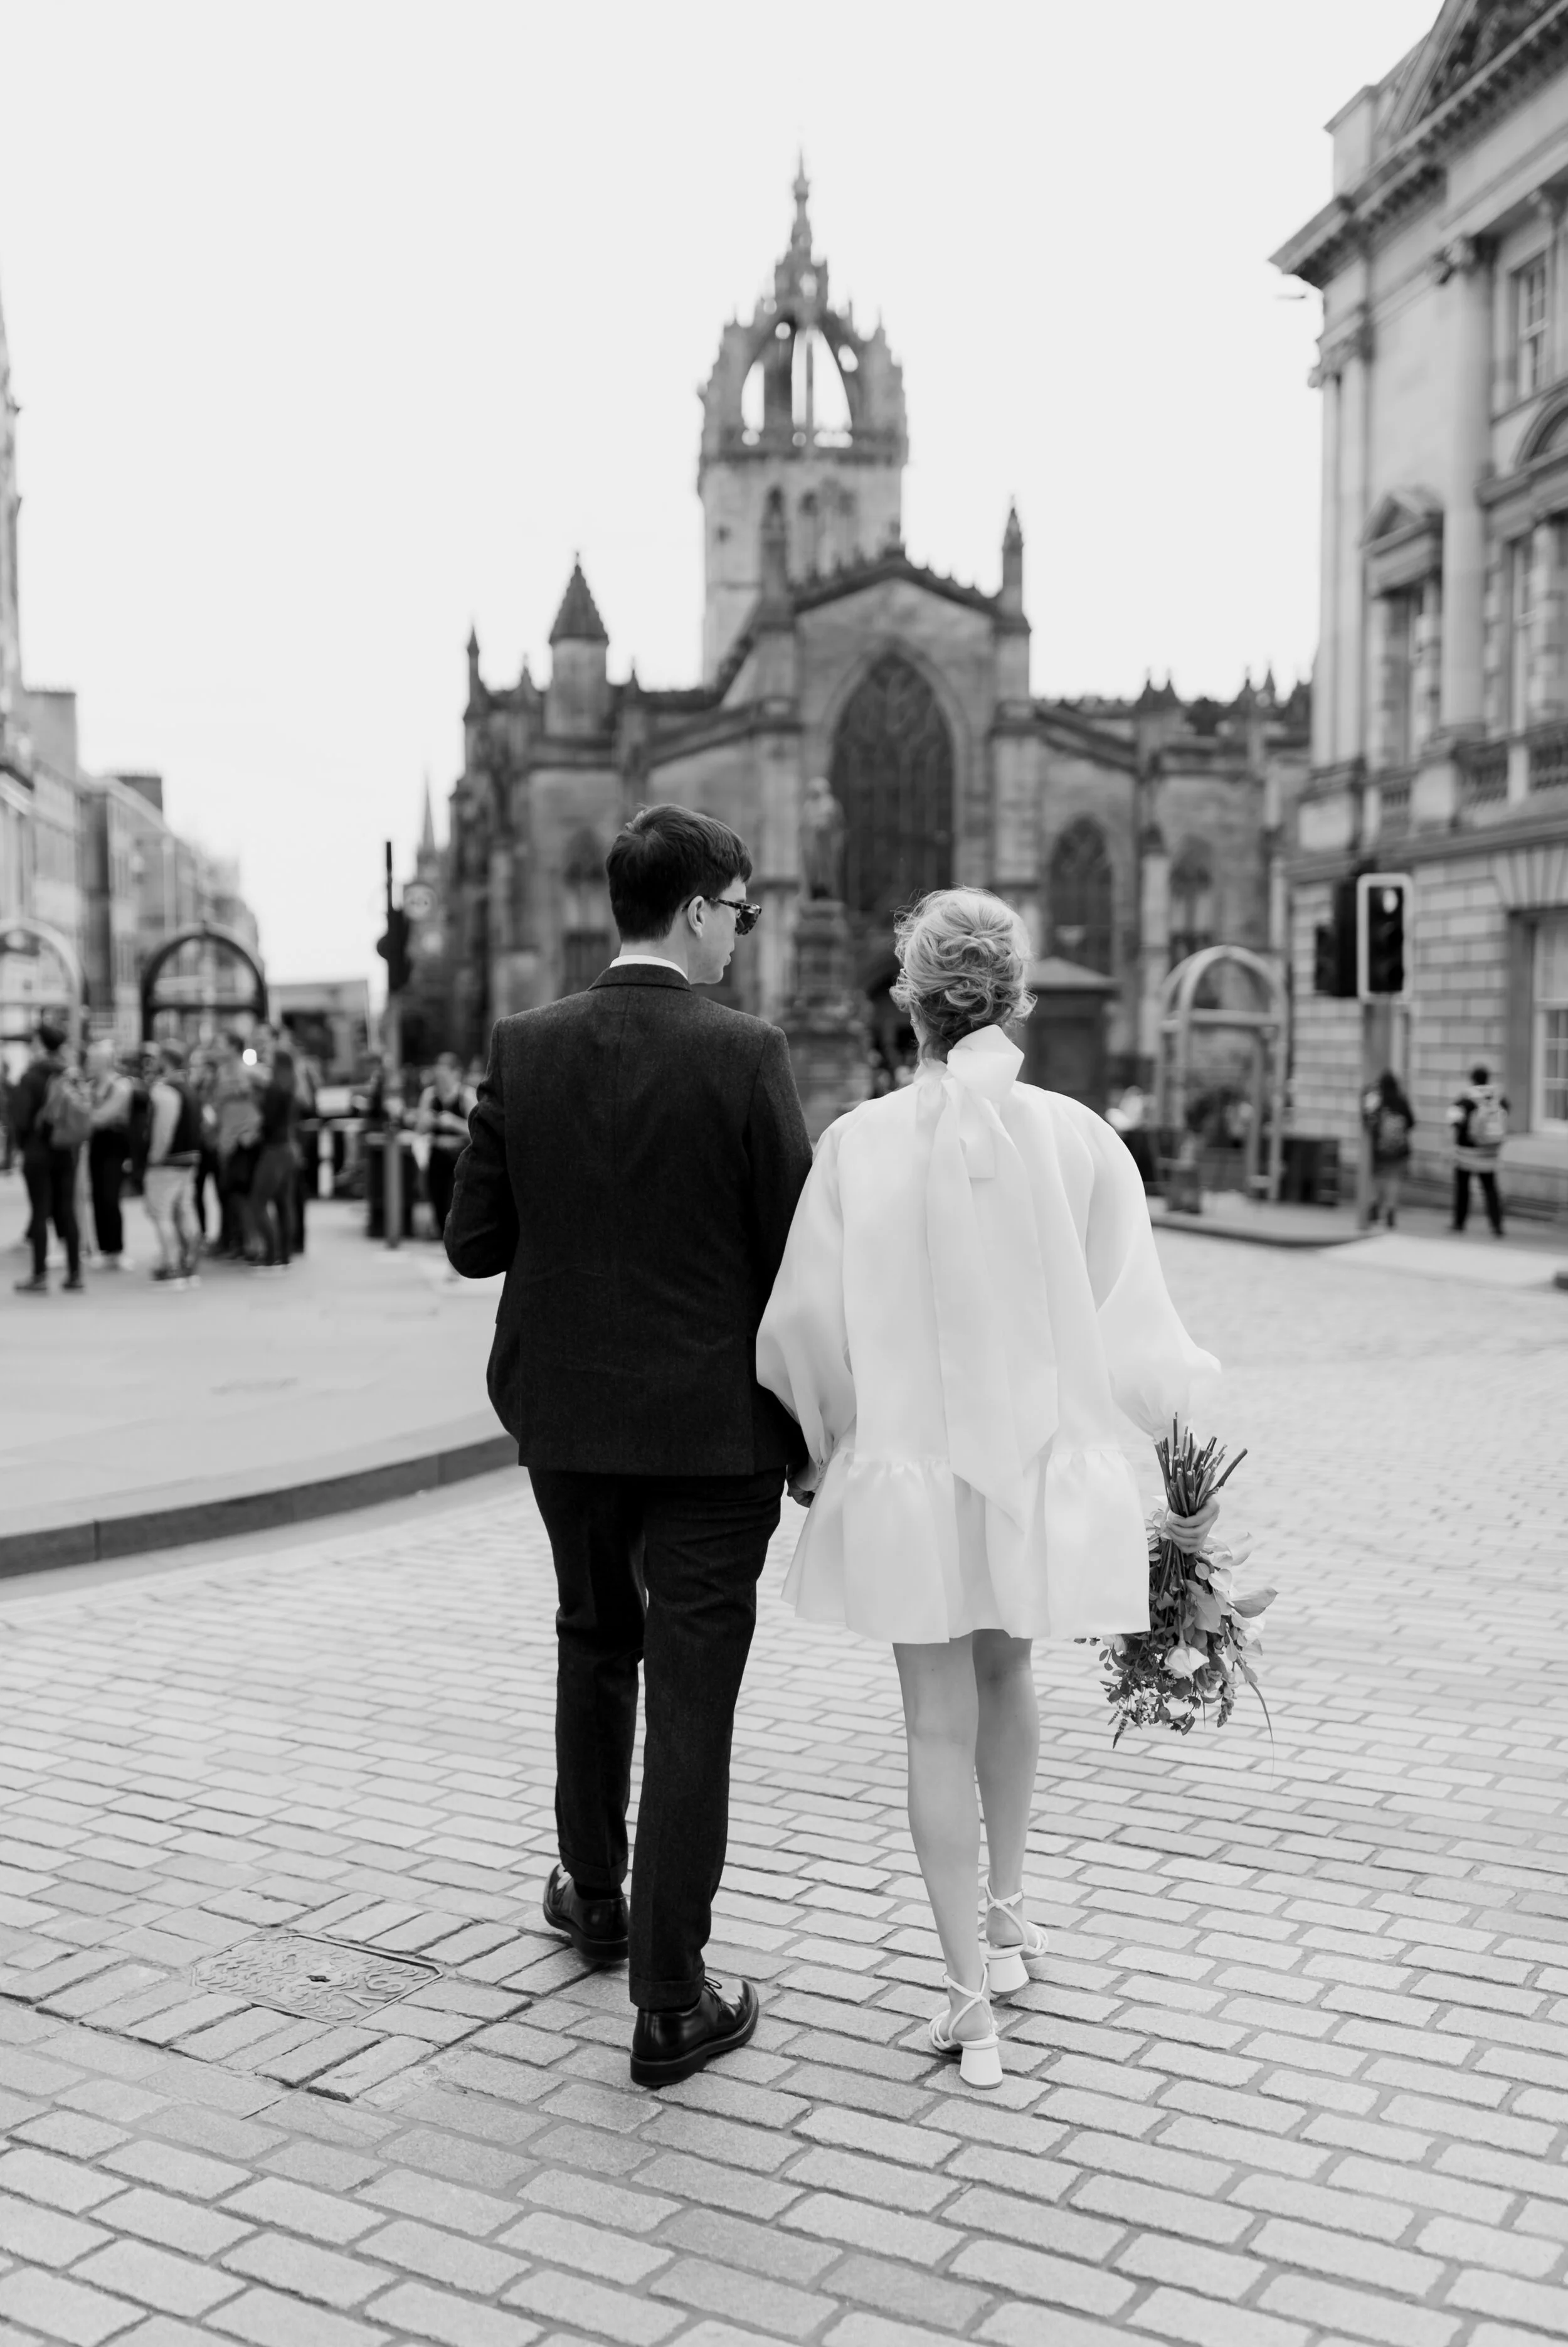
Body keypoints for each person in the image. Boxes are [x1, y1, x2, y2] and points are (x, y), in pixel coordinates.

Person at [757, 888, 1219, 2087]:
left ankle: (970, 1993)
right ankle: (1010, 1914)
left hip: (909, 1473)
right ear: (1014, 998)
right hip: (1037, 1470)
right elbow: (1137, 1324)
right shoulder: (1081, 1137)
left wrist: (824, 1444)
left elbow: (803, 1326)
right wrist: (1177, 1468)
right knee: (1010, 1673)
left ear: (906, 1001)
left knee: (933, 1720)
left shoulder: (857, 1144)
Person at [445, 803, 812, 2090]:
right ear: (702, 908)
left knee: (591, 1635)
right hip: (715, 1437)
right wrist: (818, 1434)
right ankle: (669, 1998)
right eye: (743, 914)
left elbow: (471, 1241)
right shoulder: (747, 1054)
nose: (743, 940)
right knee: (692, 1696)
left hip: (567, 1419)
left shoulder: (524, 1044)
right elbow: (796, 1262)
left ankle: (593, 1897)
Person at [11, 1022, 87, 1294]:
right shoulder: (70, 1073)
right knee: (68, 1212)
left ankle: (40, 1275)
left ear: (41, 1044)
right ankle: (75, 1274)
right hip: (66, 1150)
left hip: (38, 1151)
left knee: (40, 1211)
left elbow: (19, 1119)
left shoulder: (31, 1077)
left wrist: (22, 1145)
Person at [143, 1041, 203, 1284]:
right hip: (189, 1158)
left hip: (168, 1161)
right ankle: (189, 1262)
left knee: (162, 1213)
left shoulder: (166, 1090)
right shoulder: (190, 1088)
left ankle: (172, 1264)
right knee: (185, 1209)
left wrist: (155, 1156)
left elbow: (163, 1128)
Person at [248, 1046, 300, 1269]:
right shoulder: (291, 1085)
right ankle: (285, 1253)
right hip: (288, 1149)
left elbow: (268, 1122)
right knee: (284, 1204)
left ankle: (271, 1253)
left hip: (274, 1150)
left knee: (258, 1204)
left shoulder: (273, 1089)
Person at [211, 1031, 262, 1257]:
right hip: (226, 1141)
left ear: (233, 1047)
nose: (216, 1049)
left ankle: (251, 1241)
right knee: (228, 1194)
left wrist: (252, 1130)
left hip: (243, 1142)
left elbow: (268, 1094)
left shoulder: (249, 1071)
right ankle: (236, 1240)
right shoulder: (221, 1073)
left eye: (221, 1044)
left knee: (241, 1192)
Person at [86, 1038, 135, 1267]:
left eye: (93, 1060)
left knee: (110, 1196)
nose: (89, 1064)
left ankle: (116, 1249)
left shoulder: (120, 1086)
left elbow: (100, 1117)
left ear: (105, 1062)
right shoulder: (91, 1086)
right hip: (97, 1146)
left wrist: (82, 1117)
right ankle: (105, 1248)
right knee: (97, 1196)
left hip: (115, 1148)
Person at [416, 1052, 475, 1239]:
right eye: (438, 1076)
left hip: (459, 1156)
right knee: (437, 1199)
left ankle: (454, 1241)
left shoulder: (466, 1095)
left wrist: (453, 1123)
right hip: (437, 1154)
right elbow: (419, 1129)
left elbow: (477, 1131)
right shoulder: (430, 1095)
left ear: (456, 1074)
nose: (441, 1081)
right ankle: (443, 1237)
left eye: (444, 1076)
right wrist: (426, 1122)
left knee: (453, 1202)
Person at [1449, 1062, 1508, 1237]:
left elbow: (1454, 1119)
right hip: (1489, 1152)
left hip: (1466, 1152)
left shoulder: (1466, 1098)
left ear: (1473, 1079)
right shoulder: (1497, 1097)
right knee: (1490, 1189)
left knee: (1463, 1188)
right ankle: (1497, 1226)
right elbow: (1506, 1115)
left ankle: (1459, 1223)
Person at [1362, 1068, 1415, 1229]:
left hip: (1379, 1147)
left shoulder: (1377, 1100)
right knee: (1394, 1179)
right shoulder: (1401, 1100)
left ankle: (1375, 1205)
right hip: (1399, 1148)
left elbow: (1366, 1120)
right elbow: (1412, 1122)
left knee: (1377, 1177)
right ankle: (1391, 1210)